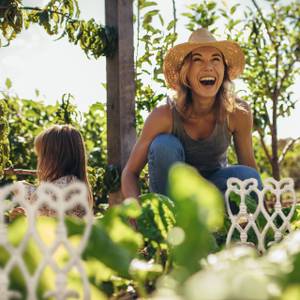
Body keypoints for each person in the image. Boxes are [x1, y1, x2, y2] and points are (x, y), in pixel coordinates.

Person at [121, 28, 262, 199]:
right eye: (198, 60)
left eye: (215, 59)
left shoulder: (238, 112)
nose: (208, 67)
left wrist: (263, 216)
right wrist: (134, 209)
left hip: (213, 191)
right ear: (186, 72)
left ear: (224, 69)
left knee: (248, 177)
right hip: (172, 195)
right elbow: (130, 172)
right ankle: (172, 220)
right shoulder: (164, 115)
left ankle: (217, 222)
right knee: (164, 145)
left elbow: (250, 171)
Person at [11, 124, 93, 218]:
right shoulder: (73, 183)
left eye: (40, 156)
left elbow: (40, 203)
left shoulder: (67, 185)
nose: (39, 161)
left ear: (53, 158)